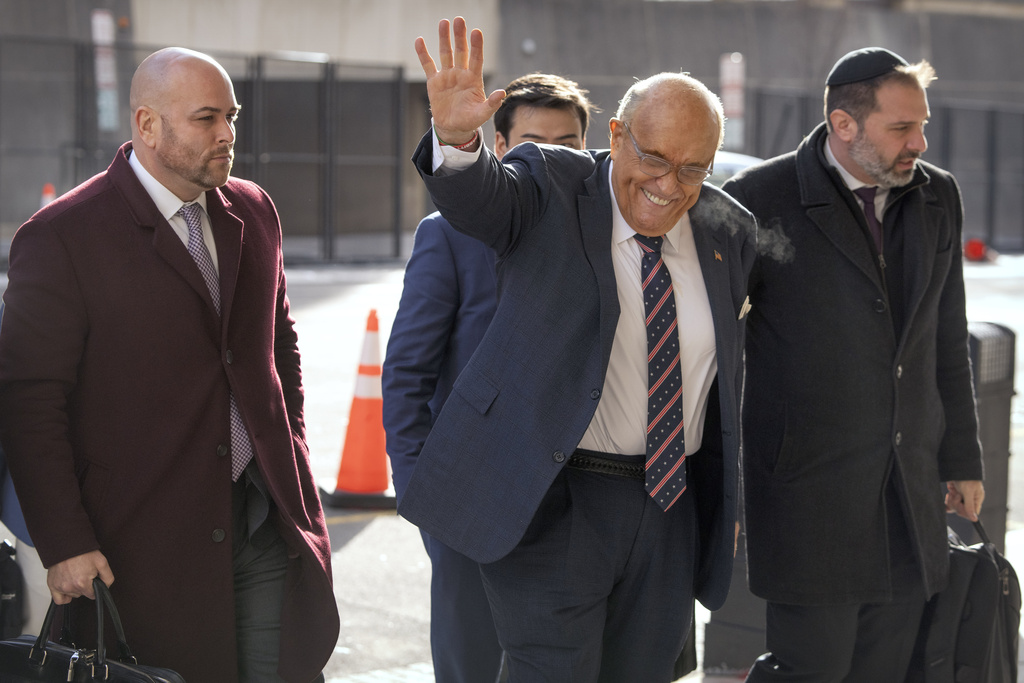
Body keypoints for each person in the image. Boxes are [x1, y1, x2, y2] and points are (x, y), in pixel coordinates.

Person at [397, 17, 756, 681]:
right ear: (616, 136)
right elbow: (482, 202)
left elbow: (728, 375)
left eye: (693, 168)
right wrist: (457, 141)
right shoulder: (552, 182)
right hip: (556, 499)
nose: (669, 184)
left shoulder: (727, 230)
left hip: (670, 506)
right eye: (654, 158)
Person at [0, 47, 339, 683]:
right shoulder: (60, 236)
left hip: (265, 517)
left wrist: (289, 450)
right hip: (139, 540)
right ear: (147, 125)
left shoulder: (254, 208)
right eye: (206, 118)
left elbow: (278, 344)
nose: (227, 134)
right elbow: (30, 403)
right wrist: (64, 541)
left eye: (231, 116)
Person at [722, 47, 985, 681]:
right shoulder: (757, 198)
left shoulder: (938, 195)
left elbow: (945, 337)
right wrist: (722, 487)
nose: (919, 142)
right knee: (810, 669)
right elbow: (716, 354)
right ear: (843, 124)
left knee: (886, 670)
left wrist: (962, 460)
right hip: (808, 496)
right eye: (902, 127)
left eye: (922, 125)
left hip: (910, 490)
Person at [382, 72, 592, 683]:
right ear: (500, 147)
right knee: (472, 662)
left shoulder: (605, 236)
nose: (553, 159)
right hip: (469, 503)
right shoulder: (449, 234)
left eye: (569, 145)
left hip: (577, 503)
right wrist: (422, 490)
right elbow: (407, 373)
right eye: (535, 143)